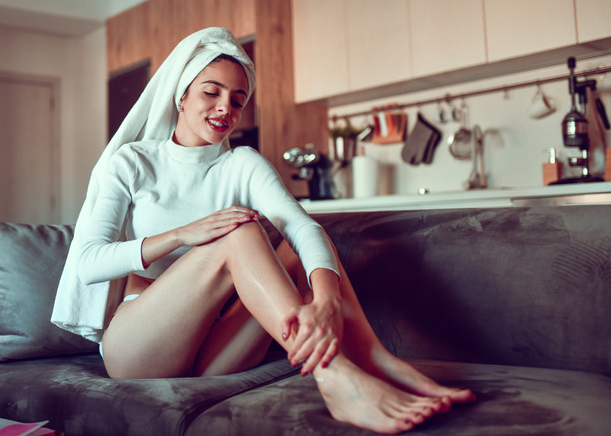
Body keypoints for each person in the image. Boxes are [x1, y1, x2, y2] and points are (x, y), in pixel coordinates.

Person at [52, 27, 474, 434]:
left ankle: (374, 357)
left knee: (303, 242)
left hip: (216, 350)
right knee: (242, 231)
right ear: (181, 95)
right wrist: (183, 234)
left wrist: (325, 298)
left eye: (238, 100)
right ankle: (336, 378)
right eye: (211, 92)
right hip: (140, 350)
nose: (225, 108)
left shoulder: (242, 163)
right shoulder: (132, 162)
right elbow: (88, 263)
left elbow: (303, 228)